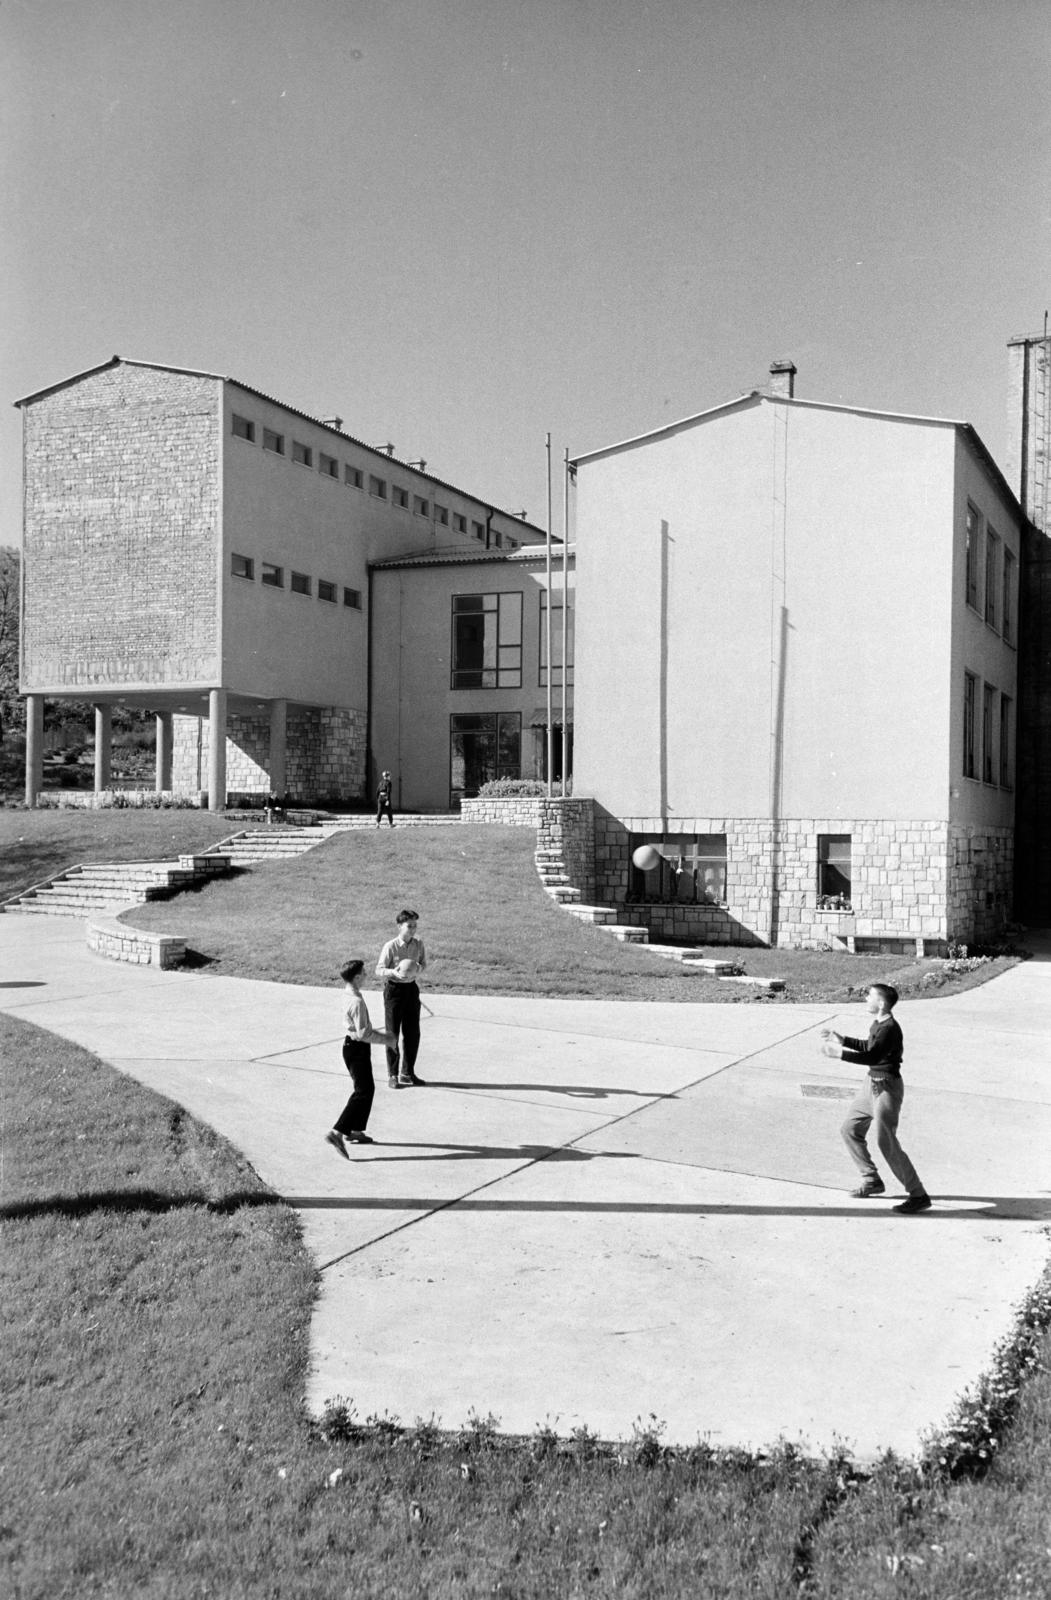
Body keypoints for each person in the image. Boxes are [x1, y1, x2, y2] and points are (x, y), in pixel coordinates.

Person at [821, 983, 932, 1214]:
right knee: (849, 1129)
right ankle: (871, 1180)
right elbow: (868, 1046)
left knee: (886, 1141)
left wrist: (839, 1054)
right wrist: (843, 1040)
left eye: (869, 996)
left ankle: (918, 1195)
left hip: (887, 1088)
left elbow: (872, 1055)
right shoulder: (878, 1024)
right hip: (870, 1083)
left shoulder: (890, 1028)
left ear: (881, 1003)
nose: (865, 999)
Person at [325, 959, 393, 1160]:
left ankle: (355, 1130)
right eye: (363, 973)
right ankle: (337, 1132)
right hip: (356, 1049)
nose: (366, 975)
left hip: (352, 1047)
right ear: (356, 977)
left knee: (366, 1089)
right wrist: (387, 1039)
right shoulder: (356, 1001)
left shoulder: (349, 994)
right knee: (362, 1091)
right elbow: (364, 1034)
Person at [376, 908, 427, 1087]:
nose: (412, 929)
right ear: (399, 926)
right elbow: (379, 969)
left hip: (411, 990)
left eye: (414, 926)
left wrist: (417, 969)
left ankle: (407, 1073)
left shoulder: (418, 944)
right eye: (409, 926)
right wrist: (394, 972)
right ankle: (393, 1075)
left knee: (413, 1033)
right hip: (394, 991)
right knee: (393, 1034)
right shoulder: (391, 946)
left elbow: (423, 964)